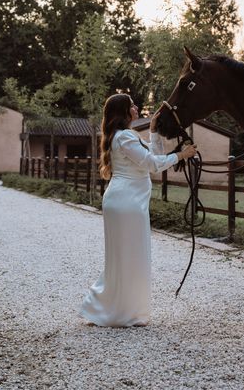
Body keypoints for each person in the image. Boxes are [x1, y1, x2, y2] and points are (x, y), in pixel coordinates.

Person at [80, 93, 197, 327]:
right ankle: (123, 312)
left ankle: (117, 309)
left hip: (127, 201)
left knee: (126, 257)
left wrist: (153, 130)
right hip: (126, 203)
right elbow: (152, 164)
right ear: (124, 112)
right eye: (131, 105)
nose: (136, 107)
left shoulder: (123, 137)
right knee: (131, 256)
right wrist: (181, 155)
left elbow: (151, 156)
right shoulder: (125, 138)